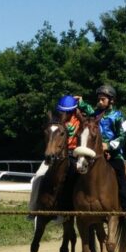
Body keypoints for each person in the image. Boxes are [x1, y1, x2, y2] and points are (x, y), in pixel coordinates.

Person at [78, 84, 126, 219]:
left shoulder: (118, 116)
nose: (99, 102)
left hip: (114, 154)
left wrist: (108, 146)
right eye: (98, 99)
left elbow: (123, 135)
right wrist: (80, 102)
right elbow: (88, 109)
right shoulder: (96, 114)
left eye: (102, 99)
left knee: (122, 175)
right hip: (95, 154)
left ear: (111, 100)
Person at [27, 95, 84, 223]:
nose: (64, 113)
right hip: (54, 154)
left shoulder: (80, 120)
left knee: (77, 181)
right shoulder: (55, 121)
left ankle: (71, 211)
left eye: (67, 111)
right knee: (38, 176)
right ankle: (33, 208)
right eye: (62, 110)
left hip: (74, 153)